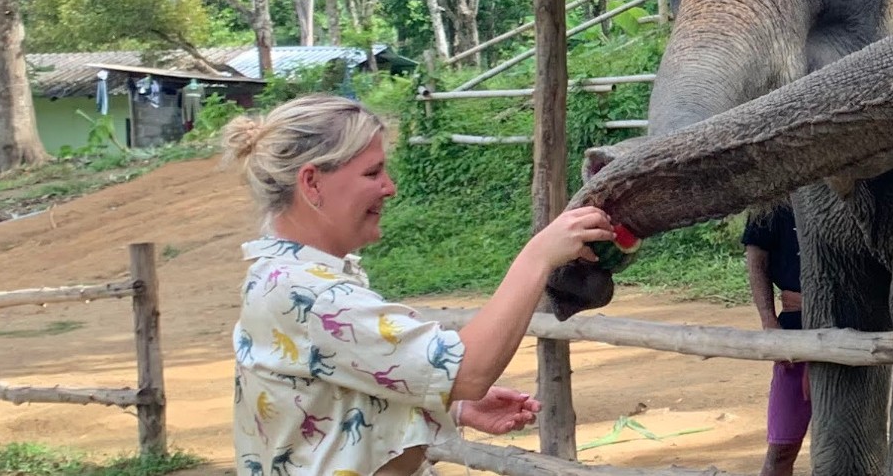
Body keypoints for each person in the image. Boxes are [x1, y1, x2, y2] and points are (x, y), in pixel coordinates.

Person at [228, 95, 617, 476]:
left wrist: (452, 407)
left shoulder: (275, 277)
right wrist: (537, 257)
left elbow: (330, 392)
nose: (390, 187)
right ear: (312, 183)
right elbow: (468, 372)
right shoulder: (313, 296)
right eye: (372, 173)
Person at [741, 205, 808, 476]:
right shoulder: (772, 199)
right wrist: (769, 322)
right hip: (793, 333)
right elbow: (757, 258)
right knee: (782, 448)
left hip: (850, 324)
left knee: (842, 444)